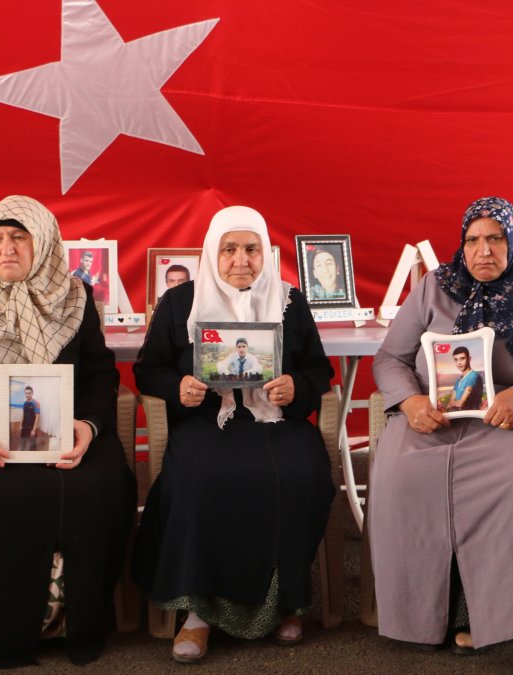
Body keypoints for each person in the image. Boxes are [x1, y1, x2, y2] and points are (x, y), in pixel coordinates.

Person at [369, 196, 513, 654]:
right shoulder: (434, 286)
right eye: (472, 240)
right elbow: (390, 358)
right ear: (461, 245)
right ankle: (418, 616)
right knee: (397, 472)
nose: (482, 251)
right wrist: (409, 402)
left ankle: (486, 615)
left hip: (503, 428)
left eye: (495, 238)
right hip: (429, 423)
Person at [0, 195, 136, 667]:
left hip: (69, 431)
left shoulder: (75, 296)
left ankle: (80, 620)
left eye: (19, 237)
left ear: (43, 243)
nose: (6, 249)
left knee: (103, 484)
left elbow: (102, 374)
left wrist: (88, 425)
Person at [132, 205, 336, 664]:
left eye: (251, 249)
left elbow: (319, 370)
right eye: (229, 249)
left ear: (266, 253)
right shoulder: (180, 302)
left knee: (304, 476)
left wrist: (296, 386)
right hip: (207, 423)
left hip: (278, 423)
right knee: (200, 479)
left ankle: (286, 603)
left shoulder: (289, 301)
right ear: (212, 252)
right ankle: (198, 614)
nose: (241, 260)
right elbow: (149, 370)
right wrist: (177, 386)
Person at [445, 346, 484, 412]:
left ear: (469, 359)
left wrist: (453, 404)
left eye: (462, 358)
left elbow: (460, 403)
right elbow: (449, 403)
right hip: (458, 416)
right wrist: (452, 404)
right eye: (456, 360)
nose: (459, 363)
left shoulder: (473, 376)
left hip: (472, 416)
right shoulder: (458, 380)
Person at [18, 385, 40, 451]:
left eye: (29, 393)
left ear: (32, 393)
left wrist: (34, 430)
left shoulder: (36, 403)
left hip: (31, 427)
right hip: (24, 427)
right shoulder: (24, 403)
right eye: (26, 393)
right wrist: (20, 425)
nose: (27, 395)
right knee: (23, 443)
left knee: (32, 446)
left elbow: (37, 416)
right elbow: (23, 415)